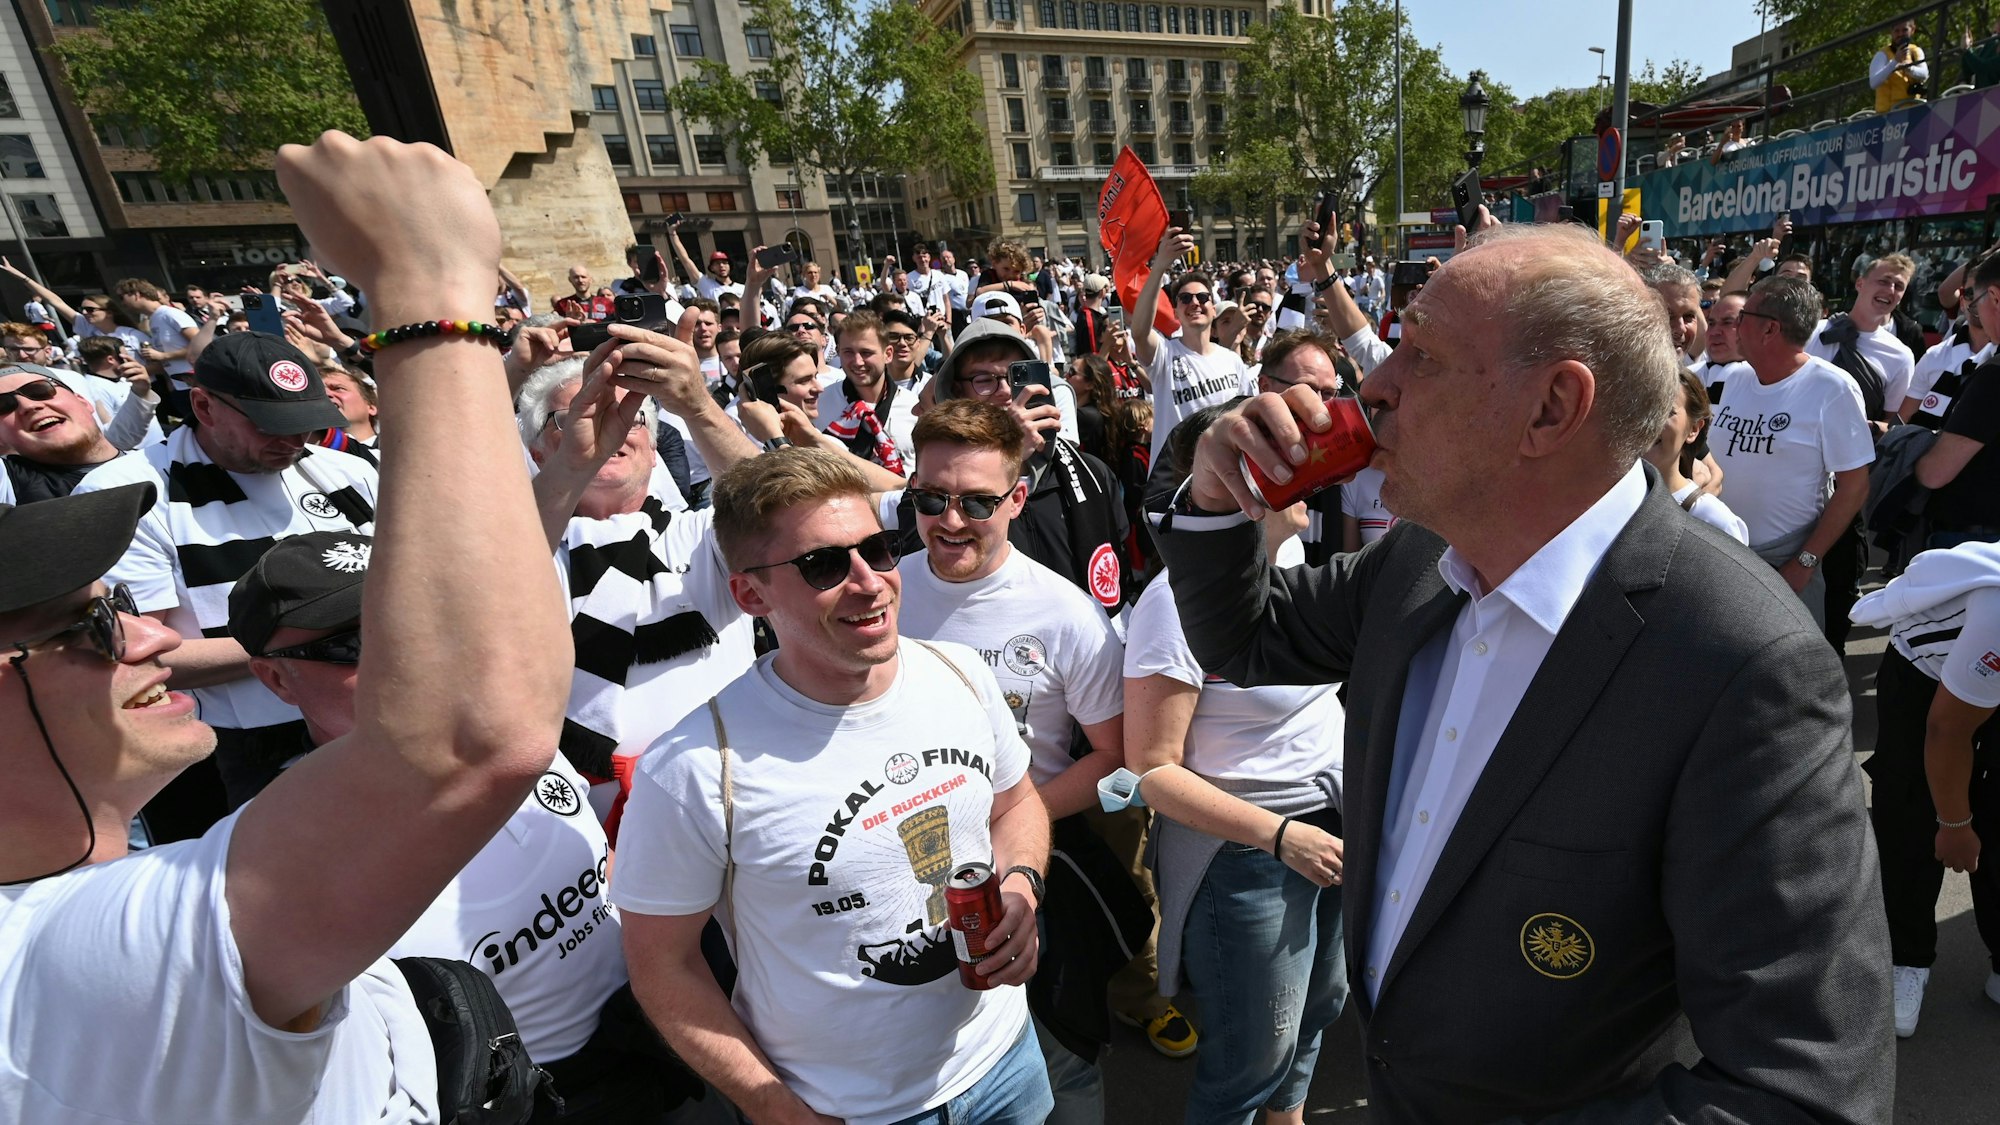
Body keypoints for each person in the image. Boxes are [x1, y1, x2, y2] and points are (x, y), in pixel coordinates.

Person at [1155, 219, 1893, 1122]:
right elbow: (1248, 636)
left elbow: (1807, 1088)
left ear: (1552, 407)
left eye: (1418, 353)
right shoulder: (1420, 559)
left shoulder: (1744, 663)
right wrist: (1209, 492)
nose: (1374, 384)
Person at [0, 128, 574, 1123]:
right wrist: (429, 286)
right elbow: (473, 733)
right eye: (88, 629)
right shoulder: (83, 949)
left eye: (122, 610)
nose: (145, 639)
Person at [612, 446, 1056, 1125]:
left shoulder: (961, 673)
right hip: (848, 1109)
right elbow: (661, 966)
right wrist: (773, 1107)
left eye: (878, 550)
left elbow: (1018, 801)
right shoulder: (696, 765)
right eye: (823, 564)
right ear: (750, 593)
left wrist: (1022, 883)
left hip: (1005, 1061)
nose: (870, 581)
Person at [894, 400, 1155, 1120]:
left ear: (1016, 498)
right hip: (899, 871)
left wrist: (1015, 816)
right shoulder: (879, 591)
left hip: (1025, 872)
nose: (949, 520)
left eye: (977, 501)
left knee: (1061, 1060)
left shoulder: (1062, 611)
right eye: (930, 499)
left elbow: (1116, 757)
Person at [1120, 401, 1345, 1125]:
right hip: (1251, 854)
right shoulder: (1169, 604)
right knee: (1251, 1055)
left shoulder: (1286, 557)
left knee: (1318, 1008)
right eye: (1280, 457)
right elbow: (1150, 770)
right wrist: (1281, 836)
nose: (1306, 469)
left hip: (1331, 830)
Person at [73, 330, 377, 835]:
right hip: (257, 746)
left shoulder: (347, 471)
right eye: (269, 425)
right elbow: (134, 658)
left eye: (306, 423)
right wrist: (322, 648)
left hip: (384, 715)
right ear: (204, 406)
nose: (293, 441)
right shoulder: (128, 493)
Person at [1849, 541, 2000, 1039]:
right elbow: (1947, 731)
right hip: (1925, 678)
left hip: (1979, 681)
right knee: (1913, 816)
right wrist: (1955, 825)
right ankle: (1905, 957)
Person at [1710, 275, 1874, 628]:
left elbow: (1855, 486)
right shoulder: (1736, 378)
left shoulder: (1832, 388)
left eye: (1743, 318)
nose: (1736, 326)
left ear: (1770, 329)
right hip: (1719, 553)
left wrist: (1804, 562)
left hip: (1783, 563)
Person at [1131, 229, 1253, 472]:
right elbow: (1140, 332)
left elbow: (1246, 418)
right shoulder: (1164, 356)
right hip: (1176, 485)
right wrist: (1160, 266)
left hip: (1226, 479)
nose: (1195, 303)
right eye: (1185, 299)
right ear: (1175, 311)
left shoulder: (1232, 361)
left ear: (1213, 307)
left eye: (1202, 297)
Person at [1915, 255, 2000, 546]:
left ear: (1995, 297)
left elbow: (1934, 473)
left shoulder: (1993, 376)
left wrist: (1907, 452)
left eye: (1974, 304)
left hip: (1974, 540)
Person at [0, 364, 160, 502]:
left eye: (39, 390)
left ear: (83, 402)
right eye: (3, 405)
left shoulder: (166, 461)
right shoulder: (10, 485)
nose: (28, 406)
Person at [1645, 368, 1749, 544]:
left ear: (1694, 429)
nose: (1649, 421)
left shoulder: (1714, 521)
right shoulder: (1607, 499)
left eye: (1666, 411)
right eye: (1638, 408)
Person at [114, 278, 200, 415]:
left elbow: (201, 344)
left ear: (136, 294)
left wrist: (163, 356)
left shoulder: (170, 314)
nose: (122, 303)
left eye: (122, 297)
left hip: (196, 385)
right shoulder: (154, 319)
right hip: (179, 387)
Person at [1872, 17, 1929, 113]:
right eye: (1896, 31)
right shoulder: (1882, 55)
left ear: (1912, 30)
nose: (1900, 34)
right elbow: (1873, 83)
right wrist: (1895, 62)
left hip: (1913, 111)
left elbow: (1924, 74)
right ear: (1892, 33)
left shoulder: (1915, 51)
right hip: (1887, 115)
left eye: (1904, 30)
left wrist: (1909, 68)